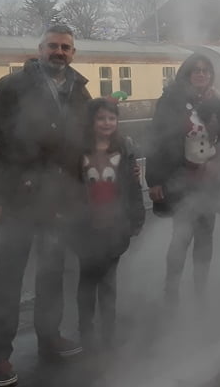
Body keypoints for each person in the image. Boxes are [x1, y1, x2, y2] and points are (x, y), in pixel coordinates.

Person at [0, 24, 89, 387]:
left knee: (52, 274)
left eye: (66, 47)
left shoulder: (79, 91)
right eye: (53, 46)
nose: (60, 52)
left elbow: (87, 142)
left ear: (73, 53)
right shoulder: (12, 86)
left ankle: (49, 337)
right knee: (8, 279)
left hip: (58, 198)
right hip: (15, 199)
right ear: (40, 48)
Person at [146, 53, 220, 309]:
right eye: (196, 70)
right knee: (181, 236)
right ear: (187, 73)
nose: (202, 74)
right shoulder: (170, 102)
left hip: (210, 180)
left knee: (206, 237)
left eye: (206, 70)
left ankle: (200, 291)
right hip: (181, 179)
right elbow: (156, 141)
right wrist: (155, 179)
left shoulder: (219, 104)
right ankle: (171, 291)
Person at [73, 98, 145, 350]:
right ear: (92, 121)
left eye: (111, 118)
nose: (107, 123)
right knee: (88, 279)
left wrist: (137, 218)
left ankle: (108, 331)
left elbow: (132, 186)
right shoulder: (78, 150)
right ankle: (86, 330)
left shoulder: (124, 149)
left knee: (109, 281)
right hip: (86, 226)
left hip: (115, 225)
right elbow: (69, 188)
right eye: (101, 118)